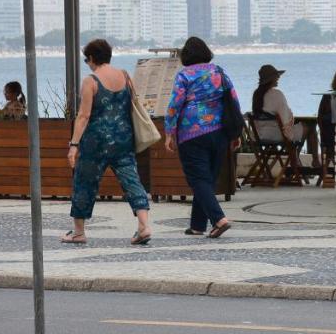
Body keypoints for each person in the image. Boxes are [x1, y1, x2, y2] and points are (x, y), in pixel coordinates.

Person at [62, 38, 152, 246]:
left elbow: (83, 116)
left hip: (96, 142)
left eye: (87, 59)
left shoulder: (91, 81)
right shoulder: (125, 76)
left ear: (92, 58)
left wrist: (73, 145)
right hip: (123, 139)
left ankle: (78, 232)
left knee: (84, 183)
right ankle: (144, 226)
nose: (88, 63)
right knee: (132, 180)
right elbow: (131, 105)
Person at [164, 36, 241, 238]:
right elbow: (233, 100)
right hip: (219, 132)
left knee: (198, 178)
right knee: (207, 179)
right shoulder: (219, 72)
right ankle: (198, 225)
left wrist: (169, 132)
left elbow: (174, 105)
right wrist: (236, 132)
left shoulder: (184, 76)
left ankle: (219, 219)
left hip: (192, 134)